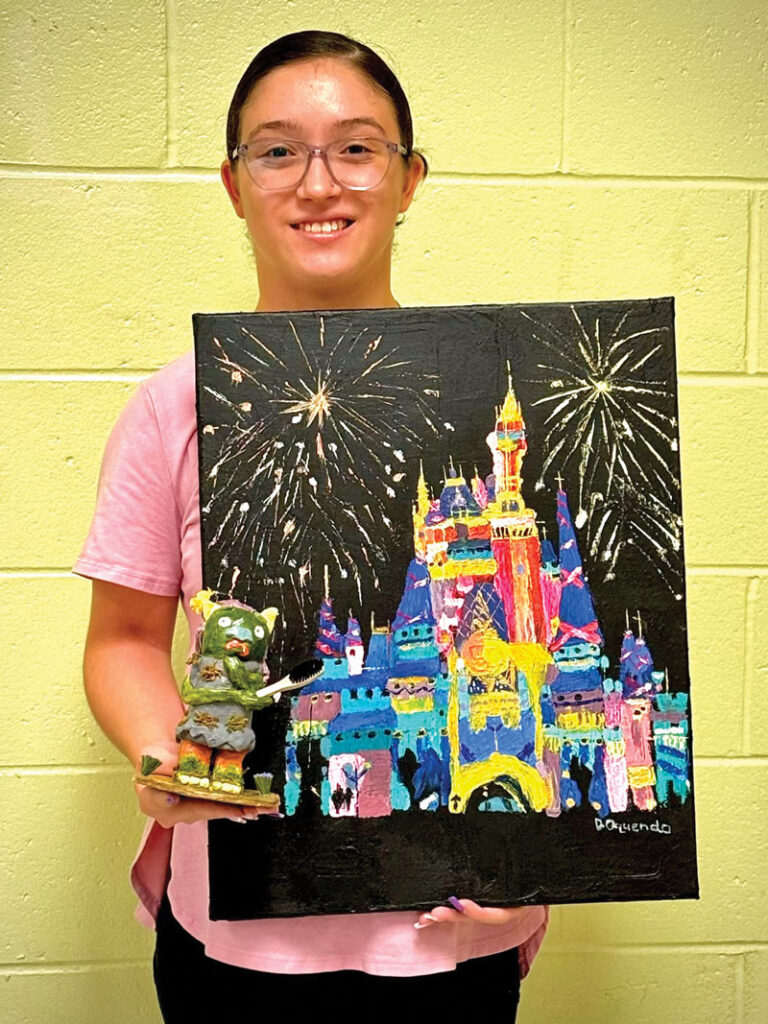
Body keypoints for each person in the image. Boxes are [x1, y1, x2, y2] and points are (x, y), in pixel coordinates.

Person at [75, 30, 548, 1021]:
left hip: (456, 934)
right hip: (241, 940)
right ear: (233, 181)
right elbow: (123, 640)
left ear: (410, 178)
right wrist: (170, 756)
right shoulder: (176, 404)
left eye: (358, 146)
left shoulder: (507, 403)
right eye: (279, 149)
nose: (318, 181)